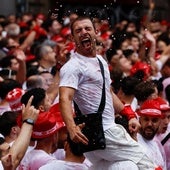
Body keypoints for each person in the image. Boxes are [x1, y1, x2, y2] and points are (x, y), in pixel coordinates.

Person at [59, 16, 156, 169]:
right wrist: (71, 128)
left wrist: (129, 114)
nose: (84, 32)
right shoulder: (72, 66)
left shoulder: (100, 60)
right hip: (104, 131)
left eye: (87, 28)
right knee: (147, 164)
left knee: (124, 166)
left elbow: (108, 93)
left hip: (98, 135)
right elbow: (65, 98)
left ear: (96, 32)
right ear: (72, 37)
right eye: (78, 30)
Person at [137, 97, 167, 170]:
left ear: (160, 122)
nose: (149, 124)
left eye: (154, 120)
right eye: (146, 119)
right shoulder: (134, 142)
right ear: (140, 119)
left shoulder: (157, 144)